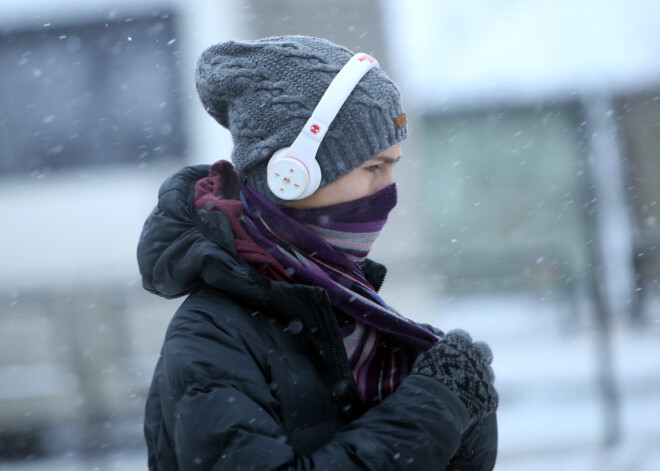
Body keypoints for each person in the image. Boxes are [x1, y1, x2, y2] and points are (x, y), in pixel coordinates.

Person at [138, 35, 498, 471]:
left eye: (393, 167)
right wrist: (435, 406)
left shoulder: (356, 312)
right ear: (291, 174)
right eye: (372, 167)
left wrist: (460, 404)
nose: (389, 191)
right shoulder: (212, 336)